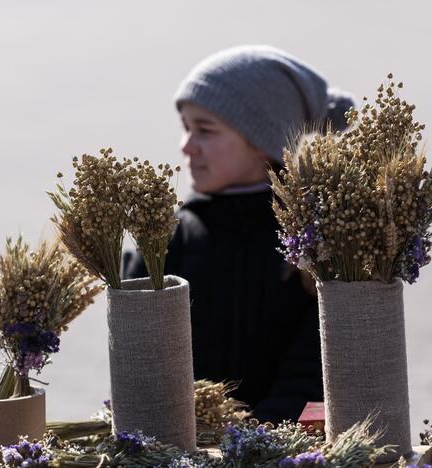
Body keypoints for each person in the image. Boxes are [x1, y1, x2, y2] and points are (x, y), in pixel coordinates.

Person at [122, 45, 355, 423]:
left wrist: (257, 439)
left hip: (281, 448)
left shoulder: (311, 242)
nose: (187, 146)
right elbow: (139, 356)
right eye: (185, 128)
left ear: (263, 140)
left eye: (205, 130)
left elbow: (313, 364)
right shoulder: (170, 235)